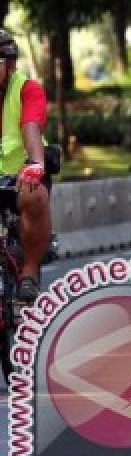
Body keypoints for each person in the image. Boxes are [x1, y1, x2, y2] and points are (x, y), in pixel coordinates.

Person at [0, 31, 51, 304]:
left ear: (9, 65)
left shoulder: (26, 89)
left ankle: (29, 273)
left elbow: (31, 126)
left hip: (19, 177)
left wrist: (34, 163)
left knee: (35, 195)